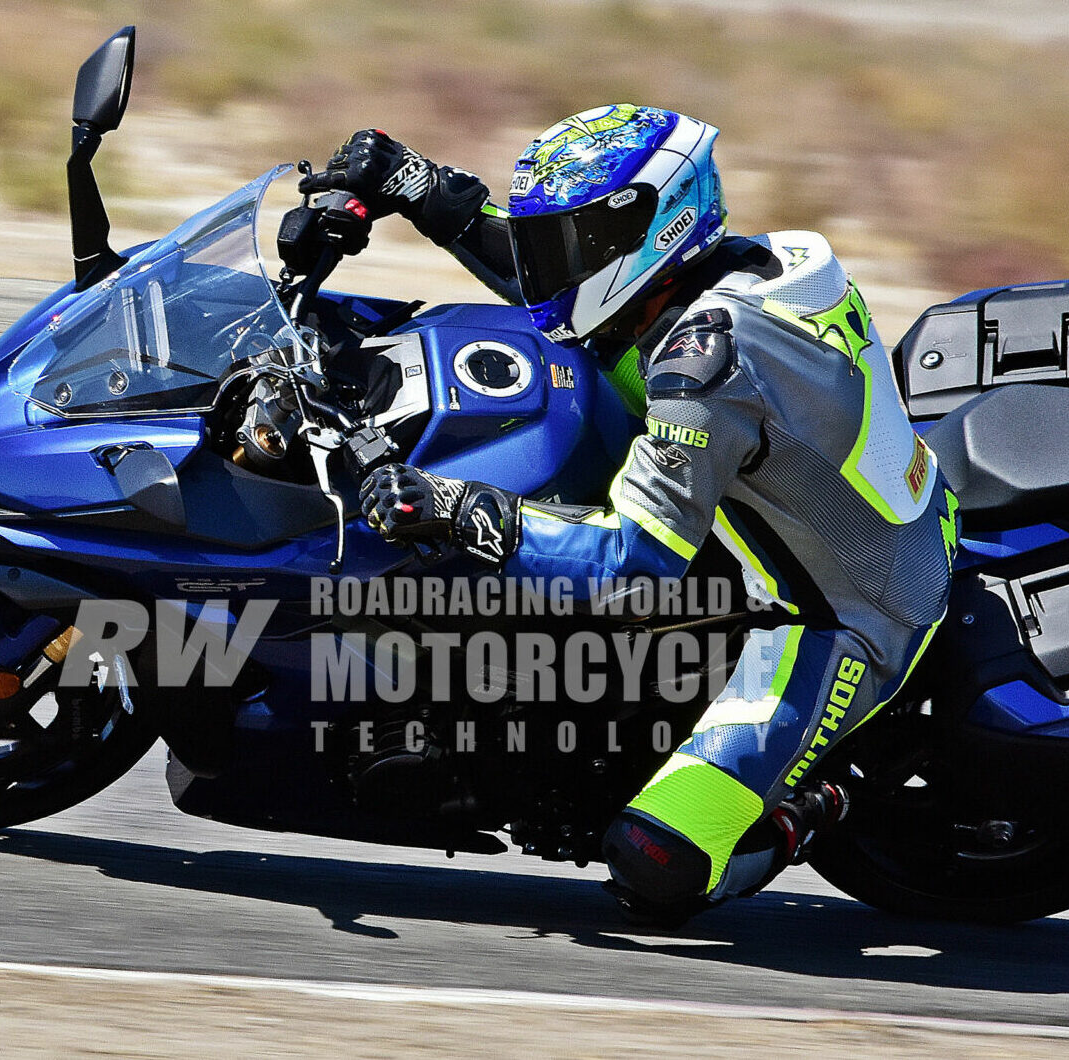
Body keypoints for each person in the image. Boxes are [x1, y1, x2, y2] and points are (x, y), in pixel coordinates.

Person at [302, 106, 958, 925]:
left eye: (568, 242)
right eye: (553, 241)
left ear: (647, 227)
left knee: (654, 864)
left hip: (844, 616)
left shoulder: (708, 367)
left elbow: (634, 567)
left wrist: (457, 509)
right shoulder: (709, 277)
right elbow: (556, 287)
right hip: (788, 527)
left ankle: (815, 805)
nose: (547, 262)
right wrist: (417, 185)